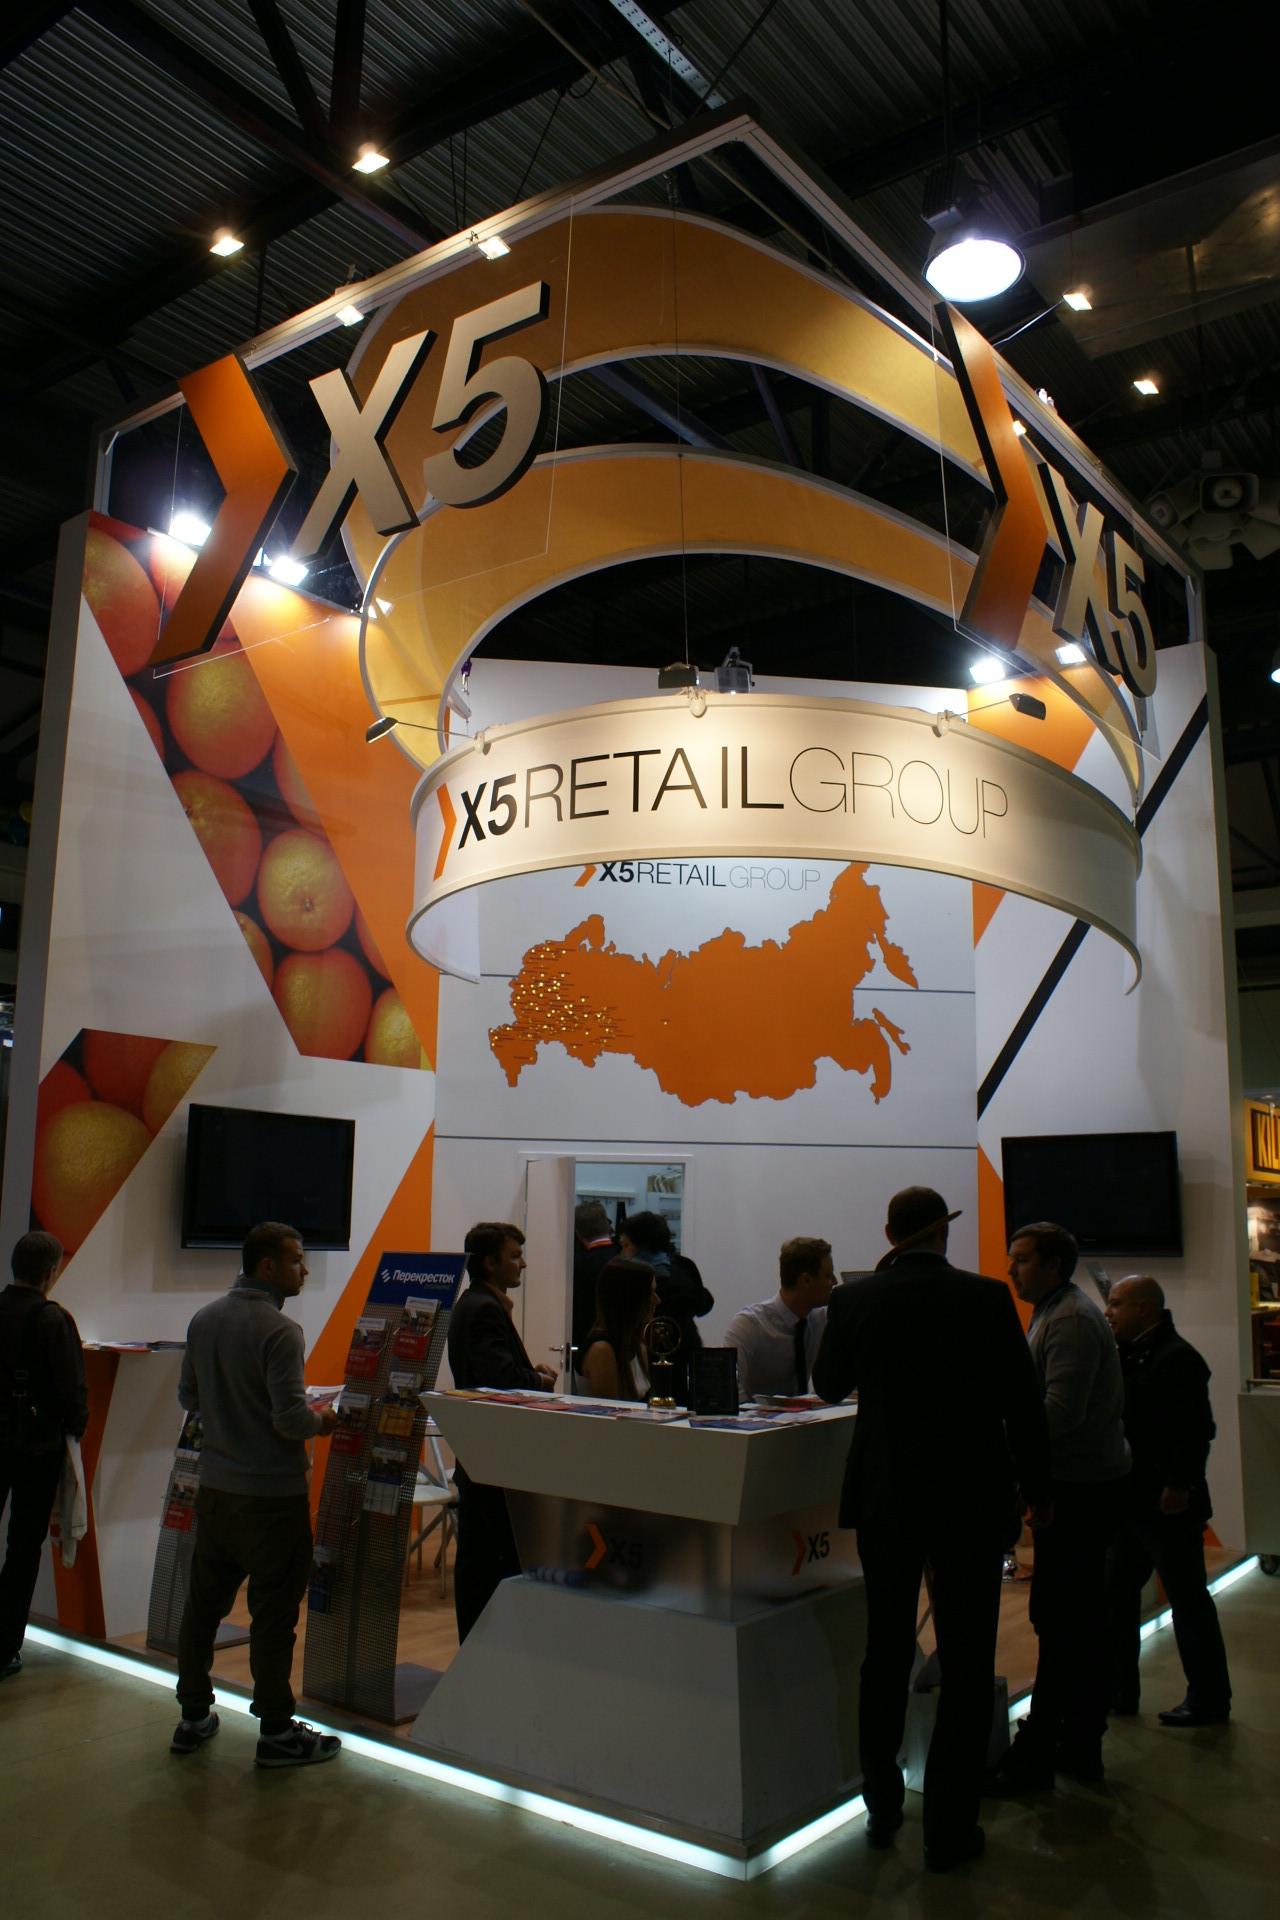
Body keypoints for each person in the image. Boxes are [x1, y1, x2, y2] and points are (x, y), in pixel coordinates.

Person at [812, 1188, 1052, 1873]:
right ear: (944, 1233)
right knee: (968, 1663)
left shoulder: (855, 1300)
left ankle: (882, 1805)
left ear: (890, 1235)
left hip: (887, 1501)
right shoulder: (985, 1298)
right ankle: (948, 1829)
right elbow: (1023, 1406)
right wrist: (1040, 1494)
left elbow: (828, 1387)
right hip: (969, 1502)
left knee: (885, 1651)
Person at [173, 1221, 341, 1768]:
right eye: (296, 1260)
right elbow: (291, 1420)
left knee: (202, 1609)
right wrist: (326, 1419)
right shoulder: (281, 1331)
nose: (305, 1270)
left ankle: (193, 1716)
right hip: (271, 1500)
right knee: (273, 1618)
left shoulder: (204, 1319)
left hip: (216, 1494)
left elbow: (189, 1396)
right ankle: (276, 1733)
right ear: (267, 1267)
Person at [992, 1221, 1131, 1794]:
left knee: (1064, 1621)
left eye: (1022, 1259)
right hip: (1078, 1486)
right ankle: (1076, 1742)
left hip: (1081, 1491)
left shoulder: (1069, 1319)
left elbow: (1058, 1413)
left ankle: (1042, 1751)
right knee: (1077, 1620)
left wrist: (996, 1438)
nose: (1011, 1269)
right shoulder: (1054, 1311)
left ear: (1053, 1265)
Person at [1104, 1274, 1232, 1726]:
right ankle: (1119, 1690)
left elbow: (1195, 1430)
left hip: (1166, 1506)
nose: (1108, 1312)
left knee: (1187, 1602)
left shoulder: (1176, 1358)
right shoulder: (1133, 1354)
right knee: (1117, 1597)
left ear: (1142, 1308)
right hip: (1135, 1503)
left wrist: (1179, 1486)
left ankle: (1209, 1698)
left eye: (1116, 1304)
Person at [448, 1222, 556, 1642]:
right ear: (490, 1262)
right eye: (515, 1256)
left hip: (482, 1456)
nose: (522, 1264)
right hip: (492, 1458)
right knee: (492, 1564)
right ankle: (494, 1651)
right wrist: (539, 1380)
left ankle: (482, 1653)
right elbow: (499, 1381)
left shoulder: (476, 1303)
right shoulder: (483, 1309)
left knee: (478, 1562)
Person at [0, 1231, 88, 1682]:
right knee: (22, 1546)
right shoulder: (53, 1319)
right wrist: (76, 1427)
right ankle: (3, 1647)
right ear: (52, 1271)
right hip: (36, 1447)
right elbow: (72, 1390)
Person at [724, 1236, 835, 1399]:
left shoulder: (821, 1319)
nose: (834, 1282)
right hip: (757, 1414)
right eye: (828, 1276)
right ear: (806, 1280)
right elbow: (729, 1391)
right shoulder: (749, 1324)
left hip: (805, 1413)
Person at [618, 1212, 712, 1396]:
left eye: (626, 1246)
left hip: (663, 1358)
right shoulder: (682, 1266)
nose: (622, 1253)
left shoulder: (646, 1278)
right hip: (689, 1350)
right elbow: (704, 1302)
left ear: (643, 1245)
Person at [579, 1259, 659, 1400]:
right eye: (649, 1293)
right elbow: (611, 1411)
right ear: (629, 1296)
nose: (657, 1300)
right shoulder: (602, 1350)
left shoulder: (638, 1347)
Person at [572, 1200, 618, 1358]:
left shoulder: (575, 1266)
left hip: (586, 1343)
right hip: (624, 1342)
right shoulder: (626, 1259)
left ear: (578, 1234)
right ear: (607, 1226)